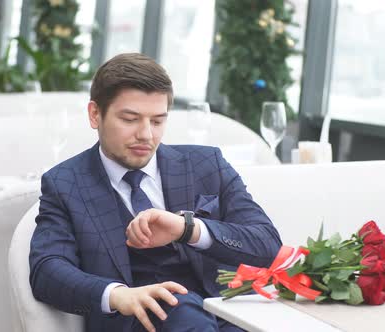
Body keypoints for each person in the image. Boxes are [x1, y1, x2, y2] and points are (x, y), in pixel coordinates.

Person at [29, 53, 282, 332]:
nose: (146, 135)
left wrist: (189, 229)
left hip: (225, 313)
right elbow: (48, 271)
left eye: (158, 121)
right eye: (130, 119)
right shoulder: (65, 182)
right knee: (180, 310)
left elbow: (268, 245)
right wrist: (117, 294)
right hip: (143, 321)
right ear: (95, 114)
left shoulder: (207, 165)